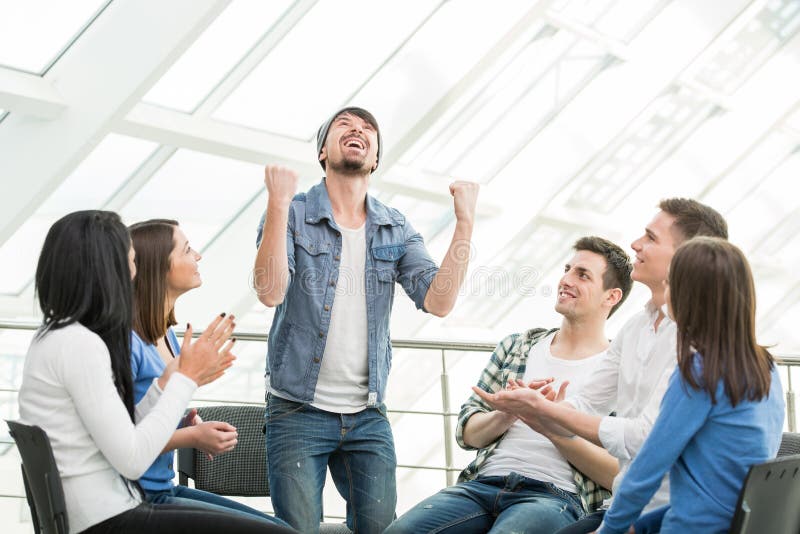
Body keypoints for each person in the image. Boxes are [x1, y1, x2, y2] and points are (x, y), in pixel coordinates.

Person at [252, 106, 479, 533]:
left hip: (367, 413)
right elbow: (270, 291)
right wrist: (278, 203)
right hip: (297, 408)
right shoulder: (294, 214)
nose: (358, 129)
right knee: (296, 530)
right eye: (345, 124)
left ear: (374, 159)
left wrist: (464, 224)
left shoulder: (394, 227)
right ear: (323, 151)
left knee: (381, 529)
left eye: (368, 129)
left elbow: (439, 301)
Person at [17, 210, 296, 534]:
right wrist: (185, 378)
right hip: (110, 517)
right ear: (107, 270)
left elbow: (125, 429)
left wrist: (166, 384)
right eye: (131, 263)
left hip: (107, 508)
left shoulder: (56, 338)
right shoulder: (80, 346)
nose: (134, 275)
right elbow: (133, 459)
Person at [473, 198, 729, 533]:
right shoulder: (636, 327)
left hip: (667, 514)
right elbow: (587, 403)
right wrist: (536, 407)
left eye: (651, 238)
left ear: (686, 256)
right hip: (625, 505)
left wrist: (546, 413)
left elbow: (641, 438)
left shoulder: (699, 340)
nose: (636, 244)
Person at [385, 236, 633, 534]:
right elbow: (468, 435)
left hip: (554, 496)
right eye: (567, 269)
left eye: (582, 275)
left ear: (611, 297)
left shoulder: (619, 370)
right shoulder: (518, 346)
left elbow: (618, 475)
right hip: (481, 486)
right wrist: (508, 414)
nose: (565, 280)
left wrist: (550, 425)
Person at [596, 237, 784, 533]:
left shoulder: (700, 370)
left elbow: (648, 466)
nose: (665, 292)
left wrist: (610, 529)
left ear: (691, 296)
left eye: (670, 284)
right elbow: (722, 490)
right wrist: (640, 526)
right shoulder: (766, 366)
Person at [128, 218, 288, 526]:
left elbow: (147, 412)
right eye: (187, 250)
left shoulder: (167, 335)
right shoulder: (128, 342)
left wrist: (183, 420)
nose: (198, 256)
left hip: (162, 488)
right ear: (159, 267)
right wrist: (190, 436)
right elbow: (123, 441)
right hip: (140, 498)